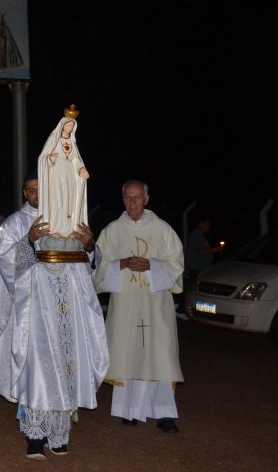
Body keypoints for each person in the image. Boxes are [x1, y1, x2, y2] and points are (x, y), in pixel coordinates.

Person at [0, 173, 108, 460]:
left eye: (40, 189)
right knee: (37, 368)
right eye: (30, 191)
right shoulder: (17, 221)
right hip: (35, 310)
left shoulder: (69, 217)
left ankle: (60, 434)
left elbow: (88, 264)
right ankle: (35, 436)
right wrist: (28, 241)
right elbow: (3, 259)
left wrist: (90, 245)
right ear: (25, 194)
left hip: (67, 309)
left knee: (66, 365)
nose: (36, 195)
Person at [94, 180, 184, 433]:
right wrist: (120, 263)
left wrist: (153, 265)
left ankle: (164, 413)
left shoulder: (163, 229)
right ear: (122, 199)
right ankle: (129, 410)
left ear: (146, 199)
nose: (132, 202)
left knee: (160, 352)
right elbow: (97, 265)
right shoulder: (112, 230)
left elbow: (177, 263)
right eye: (127, 198)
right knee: (128, 351)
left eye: (137, 198)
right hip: (126, 304)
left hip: (156, 304)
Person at [37, 105, 90, 239]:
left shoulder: (72, 143)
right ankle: (56, 228)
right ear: (62, 125)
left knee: (70, 200)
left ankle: (69, 229)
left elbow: (76, 160)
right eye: (68, 125)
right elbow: (43, 158)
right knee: (57, 200)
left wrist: (81, 169)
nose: (70, 128)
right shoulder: (54, 140)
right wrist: (50, 159)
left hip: (70, 175)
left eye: (72, 126)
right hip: (56, 174)